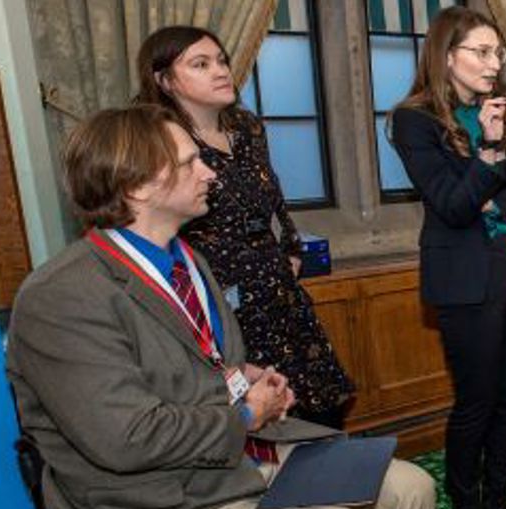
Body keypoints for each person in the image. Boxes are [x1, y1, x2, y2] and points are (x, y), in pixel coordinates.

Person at [6, 105, 436, 509]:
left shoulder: (186, 259)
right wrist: (248, 411)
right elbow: (125, 439)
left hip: (232, 463)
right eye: (189, 163)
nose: (209, 172)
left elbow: (199, 363)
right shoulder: (62, 297)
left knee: (411, 488)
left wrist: (246, 376)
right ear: (138, 186)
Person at [134, 26, 352, 429]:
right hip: (220, 301)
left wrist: (291, 249)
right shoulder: (159, 144)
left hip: (276, 287)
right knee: (264, 423)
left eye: (221, 61)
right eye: (201, 64)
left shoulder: (248, 129)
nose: (220, 71)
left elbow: (273, 195)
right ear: (164, 80)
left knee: (322, 410)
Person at [390, 6, 506, 509]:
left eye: (497, 52)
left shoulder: (502, 110)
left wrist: (494, 194)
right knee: (476, 402)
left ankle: (500, 503)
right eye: (482, 51)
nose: (494, 63)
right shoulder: (415, 121)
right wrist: (490, 152)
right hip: (465, 280)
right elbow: (452, 207)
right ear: (446, 55)